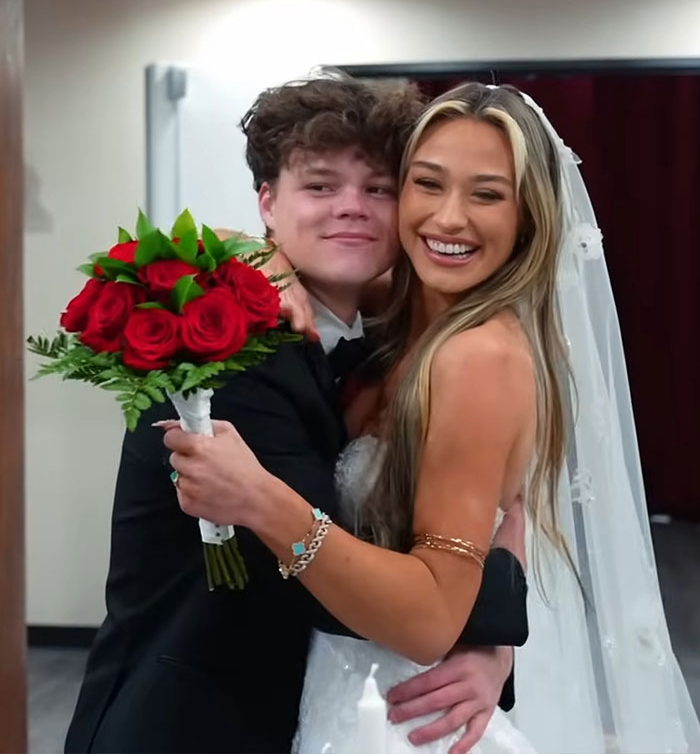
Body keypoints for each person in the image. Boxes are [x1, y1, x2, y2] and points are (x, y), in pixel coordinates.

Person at [163, 82, 700, 754]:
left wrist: (263, 502)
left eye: (487, 194)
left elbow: (429, 620)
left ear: (528, 216)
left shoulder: (478, 356)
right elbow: (502, 515)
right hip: (334, 696)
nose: (449, 219)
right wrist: (255, 252)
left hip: (401, 714)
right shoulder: (401, 311)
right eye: (427, 184)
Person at [65, 77, 528, 754]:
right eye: (320, 187)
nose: (352, 208)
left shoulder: (390, 342)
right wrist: (483, 622)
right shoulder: (233, 354)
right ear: (267, 205)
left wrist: (493, 647)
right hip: (186, 724)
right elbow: (323, 579)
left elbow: (499, 504)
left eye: (378, 189)